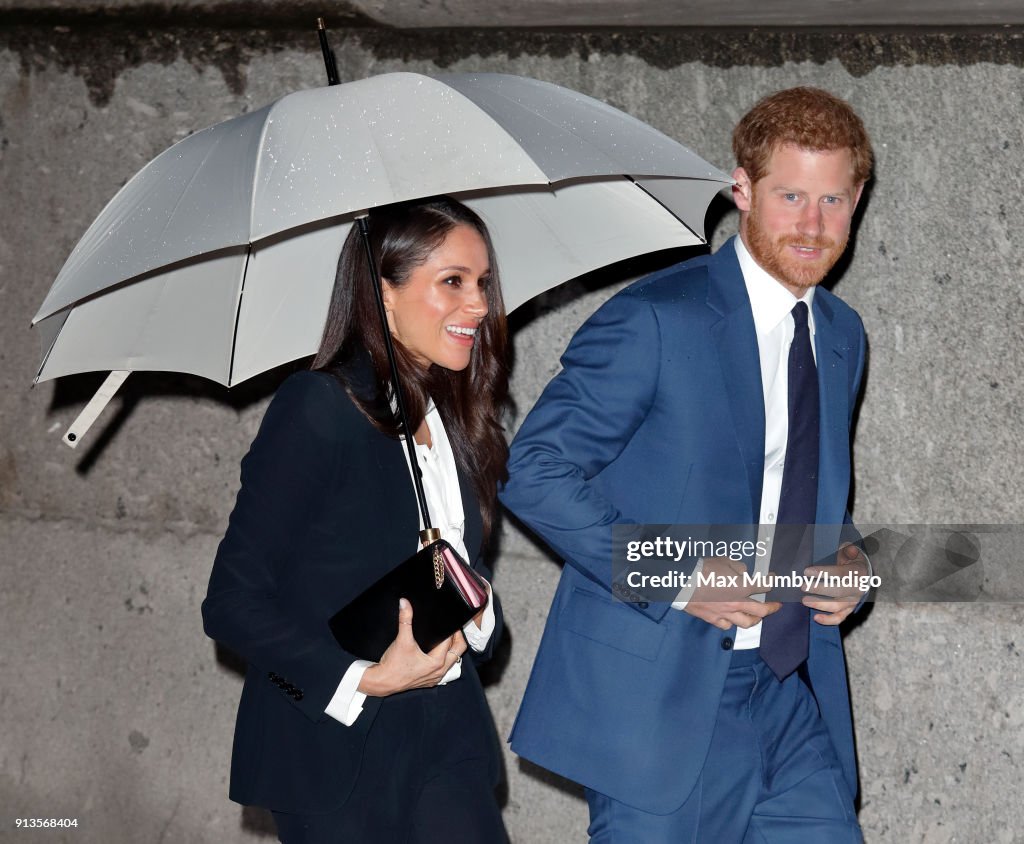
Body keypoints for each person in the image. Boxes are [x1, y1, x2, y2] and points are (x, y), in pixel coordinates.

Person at [500, 87, 874, 842]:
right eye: (790, 195)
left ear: (858, 199)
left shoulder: (841, 333)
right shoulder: (656, 318)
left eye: (833, 199)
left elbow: (797, 494)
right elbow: (532, 469)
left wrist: (847, 561)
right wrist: (676, 574)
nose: (812, 225)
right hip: (665, 697)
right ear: (742, 189)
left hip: (792, 692)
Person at [203, 197, 510, 843]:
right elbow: (231, 603)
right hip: (334, 748)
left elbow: (462, 565)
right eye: (452, 281)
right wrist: (364, 678)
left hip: (448, 732)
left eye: (482, 282)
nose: (479, 304)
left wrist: (474, 607)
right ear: (385, 293)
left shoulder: (457, 414)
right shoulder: (319, 406)